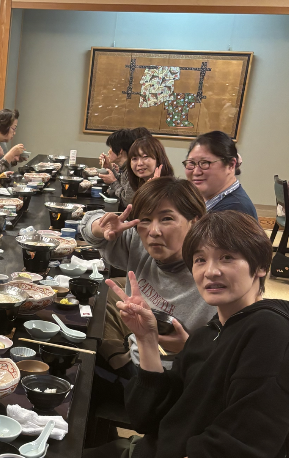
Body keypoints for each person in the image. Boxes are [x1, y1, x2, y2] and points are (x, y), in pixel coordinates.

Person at [66, 211, 289, 458]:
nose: (210, 271)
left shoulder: (270, 334)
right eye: (200, 259)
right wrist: (147, 340)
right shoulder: (215, 330)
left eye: (227, 258)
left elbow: (237, 452)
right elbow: (150, 418)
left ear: (260, 267)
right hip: (155, 456)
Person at [79, 177, 213, 374]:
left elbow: (231, 355)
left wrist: (188, 348)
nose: (154, 231)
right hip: (136, 357)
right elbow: (88, 225)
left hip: (180, 376)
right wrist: (101, 227)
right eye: (145, 220)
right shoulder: (139, 244)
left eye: (167, 219)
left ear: (195, 221)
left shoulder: (213, 276)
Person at [182, 131, 258, 219]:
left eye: (205, 163)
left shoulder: (235, 211)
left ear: (231, 165)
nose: (196, 172)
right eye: (191, 163)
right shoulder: (206, 199)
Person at [98, 128, 136, 206]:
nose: (108, 151)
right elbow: (122, 184)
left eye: (111, 147)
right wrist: (109, 168)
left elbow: (127, 201)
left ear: (120, 150)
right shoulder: (125, 168)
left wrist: (113, 182)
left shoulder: (132, 170)